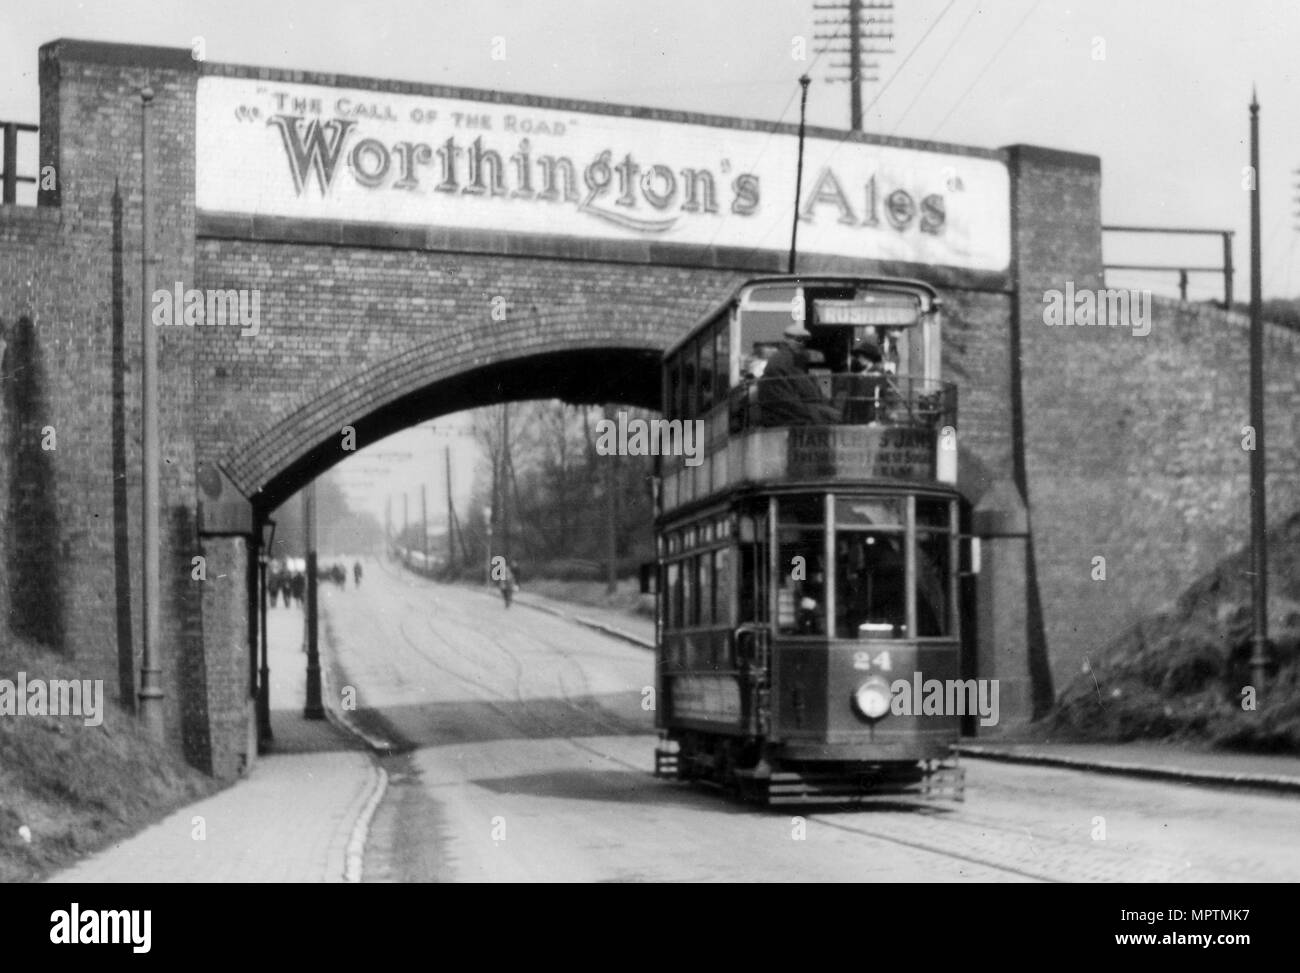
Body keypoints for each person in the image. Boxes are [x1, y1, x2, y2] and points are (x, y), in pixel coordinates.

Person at [756, 323, 840, 426]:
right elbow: (786, 399)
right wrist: (817, 411)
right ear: (787, 340)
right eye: (799, 340)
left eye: (805, 341)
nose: (802, 344)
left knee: (835, 414)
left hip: (797, 410)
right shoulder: (781, 361)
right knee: (834, 416)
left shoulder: (794, 361)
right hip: (785, 415)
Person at [837, 337, 899, 424]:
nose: (859, 359)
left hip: (868, 411)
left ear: (868, 357)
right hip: (862, 410)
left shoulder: (875, 373)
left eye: (861, 356)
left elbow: (870, 393)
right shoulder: (866, 372)